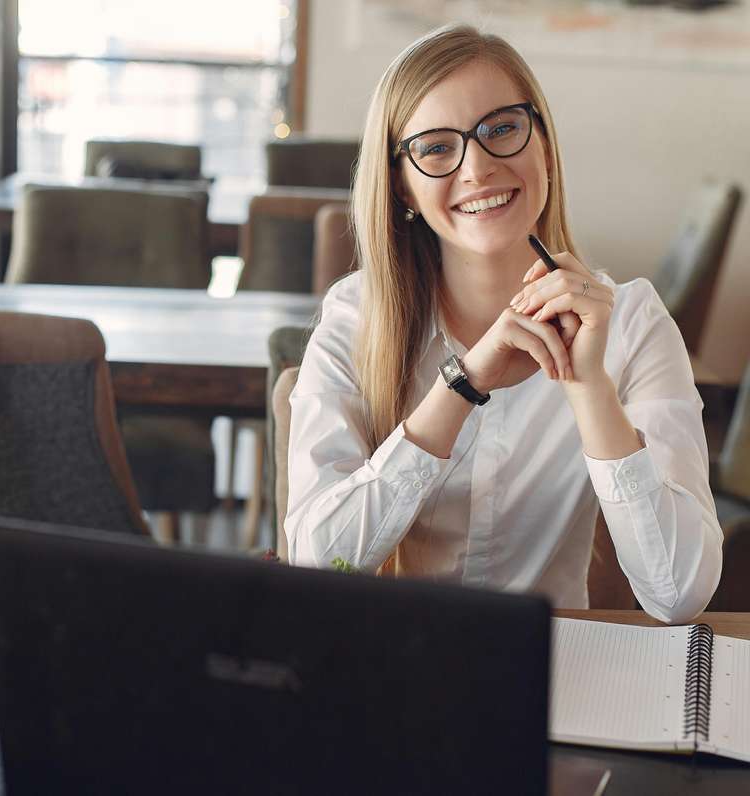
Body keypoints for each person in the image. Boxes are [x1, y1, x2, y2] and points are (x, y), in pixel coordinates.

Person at [284, 24, 722, 624]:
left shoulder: (631, 321)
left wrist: (588, 385)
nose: (478, 167)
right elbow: (317, 569)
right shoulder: (355, 318)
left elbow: (679, 595)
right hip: (388, 665)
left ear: (543, 143)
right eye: (437, 147)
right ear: (402, 185)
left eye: (501, 129)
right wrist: (461, 386)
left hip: (552, 676)